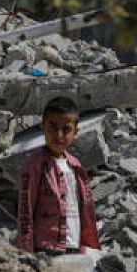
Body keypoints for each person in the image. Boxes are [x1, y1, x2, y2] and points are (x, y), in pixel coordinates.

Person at [15, 96, 101, 255]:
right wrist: (26, 250)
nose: (59, 135)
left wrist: (83, 245)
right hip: (46, 247)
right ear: (42, 127)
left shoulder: (75, 165)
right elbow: (25, 211)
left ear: (76, 132)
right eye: (52, 128)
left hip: (74, 245)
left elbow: (83, 209)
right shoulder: (35, 165)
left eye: (66, 129)